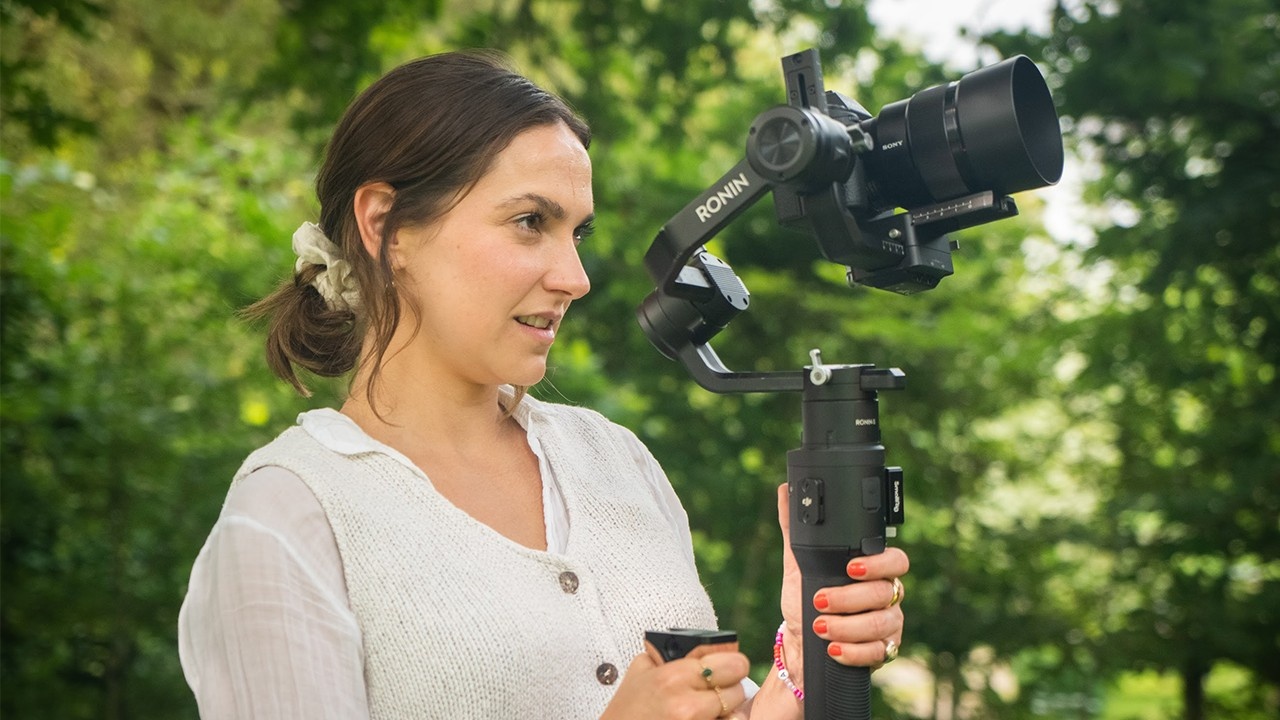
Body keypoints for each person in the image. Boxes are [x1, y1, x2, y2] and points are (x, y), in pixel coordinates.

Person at [177, 49, 909, 719]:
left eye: (576, 234)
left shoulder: (614, 460)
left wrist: (807, 653)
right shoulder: (289, 515)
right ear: (386, 227)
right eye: (530, 221)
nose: (576, 278)